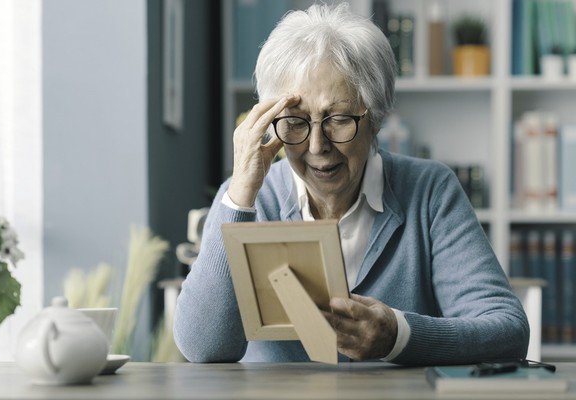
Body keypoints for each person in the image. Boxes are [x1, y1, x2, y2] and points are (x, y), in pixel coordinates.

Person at [173, 2, 529, 365]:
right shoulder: (248, 200)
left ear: (375, 118)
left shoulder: (429, 191)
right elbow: (203, 348)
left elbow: (507, 330)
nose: (317, 146)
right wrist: (240, 195)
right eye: (294, 122)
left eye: (338, 119)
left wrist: (397, 335)